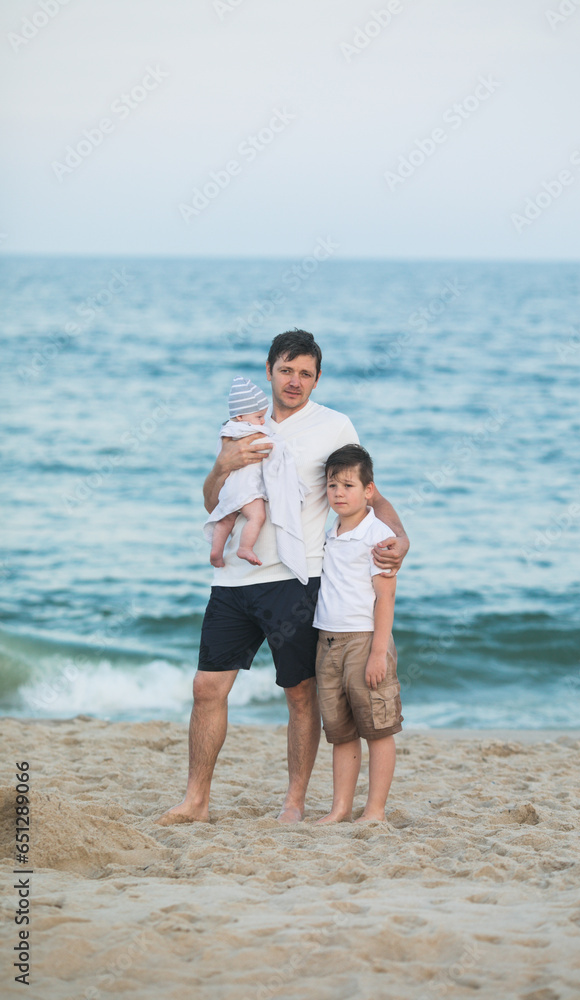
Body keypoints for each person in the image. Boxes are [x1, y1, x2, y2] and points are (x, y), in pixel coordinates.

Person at [157, 329, 409, 827]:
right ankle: (196, 800)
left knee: (299, 693)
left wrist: (400, 537)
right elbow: (214, 501)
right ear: (270, 369)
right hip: (233, 579)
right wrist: (222, 463)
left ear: (317, 379)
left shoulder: (335, 426)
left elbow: (370, 494)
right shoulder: (241, 425)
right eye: (287, 370)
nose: (295, 381)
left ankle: (293, 803)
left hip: (297, 577)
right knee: (207, 687)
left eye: (306, 373)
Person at [313, 444, 403, 824]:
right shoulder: (328, 530)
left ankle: (375, 811)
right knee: (341, 731)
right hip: (328, 640)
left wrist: (378, 653)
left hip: (365, 641)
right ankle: (340, 808)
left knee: (377, 728)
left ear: (369, 491)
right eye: (333, 485)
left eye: (348, 485)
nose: (339, 493)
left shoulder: (377, 535)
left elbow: (385, 598)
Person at [204, 376, 310, 583]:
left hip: (229, 488)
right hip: (247, 489)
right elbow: (271, 446)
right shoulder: (253, 431)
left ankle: (216, 551)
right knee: (257, 517)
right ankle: (245, 548)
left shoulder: (226, 432)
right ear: (242, 416)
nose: (263, 421)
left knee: (226, 519)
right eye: (259, 416)